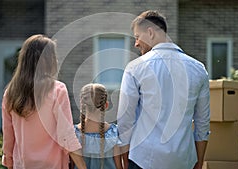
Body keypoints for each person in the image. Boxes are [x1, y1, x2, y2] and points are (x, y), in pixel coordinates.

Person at [117, 10, 210, 169]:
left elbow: (125, 121)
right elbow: (202, 124)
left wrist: (125, 161)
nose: (136, 43)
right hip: (183, 161)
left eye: (137, 37)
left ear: (150, 32)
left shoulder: (135, 68)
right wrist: (199, 162)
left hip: (142, 160)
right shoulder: (198, 69)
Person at [1, 34, 86, 169]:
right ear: (48, 60)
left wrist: (10, 163)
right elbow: (66, 135)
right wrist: (83, 166)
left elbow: (8, 138)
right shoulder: (58, 90)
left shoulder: (10, 93)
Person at [71, 83, 123, 169]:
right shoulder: (113, 133)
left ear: (82, 105)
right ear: (106, 105)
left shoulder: (73, 134)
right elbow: (118, 167)